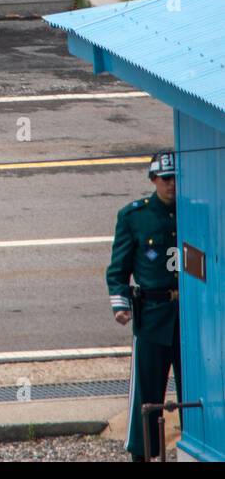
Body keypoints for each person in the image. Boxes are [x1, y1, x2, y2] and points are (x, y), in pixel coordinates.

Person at [106, 149, 180, 461]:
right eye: (165, 179)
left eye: (176, 178)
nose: (172, 185)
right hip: (151, 316)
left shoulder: (195, 210)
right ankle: (143, 454)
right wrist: (120, 305)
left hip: (188, 317)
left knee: (196, 391)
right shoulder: (134, 217)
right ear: (153, 180)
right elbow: (117, 270)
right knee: (146, 393)